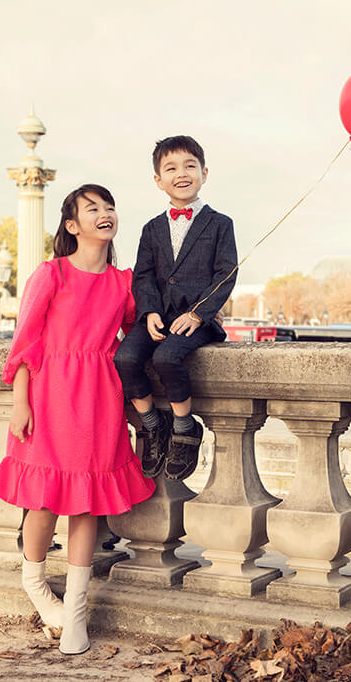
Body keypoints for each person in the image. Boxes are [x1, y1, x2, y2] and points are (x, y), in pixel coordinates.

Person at [0, 184, 156, 655]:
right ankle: (36, 585)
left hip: (100, 397)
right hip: (49, 393)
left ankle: (76, 610)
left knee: (85, 503)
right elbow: (25, 345)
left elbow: (135, 335)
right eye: (92, 209)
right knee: (42, 501)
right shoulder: (52, 273)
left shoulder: (123, 282)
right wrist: (21, 403)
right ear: (72, 225)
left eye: (109, 207)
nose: (105, 214)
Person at [114, 135, 238, 482]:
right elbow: (144, 276)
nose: (181, 174)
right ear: (158, 180)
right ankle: (153, 425)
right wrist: (149, 312)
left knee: (167, 358)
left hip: (195, 320)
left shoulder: (219, 223)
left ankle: (185, 427)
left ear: (204, 172)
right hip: (157, 317)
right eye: (170, 168)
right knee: (124, 359)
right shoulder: (151, 228)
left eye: (189, 166)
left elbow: (226, 273)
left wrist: (199, 313)